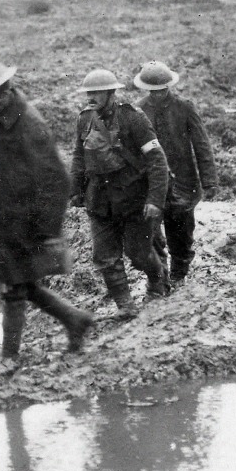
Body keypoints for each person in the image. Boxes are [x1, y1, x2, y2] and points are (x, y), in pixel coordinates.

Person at [0, 62, 94, 373]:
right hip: (1, 218)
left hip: (23, 221)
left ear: (4, 92)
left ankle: (8, 358)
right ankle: (76, 320)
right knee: (21, 284)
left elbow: (57, 180)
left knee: (13, 288)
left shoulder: (29, 125)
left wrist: (48, 231)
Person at [69, 69, 169, 317]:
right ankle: (126, 305)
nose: (91, 97)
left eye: (97, 93)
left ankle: (158, 280)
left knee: (138, 254)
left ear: (111, 93)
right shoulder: (84, 119)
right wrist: (75, 191)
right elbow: (79, 157)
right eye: (88, 93)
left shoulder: (132, 118)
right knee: (104, 256)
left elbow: (157, 160)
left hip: (133, 199)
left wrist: (155, 199)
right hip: (99, 200)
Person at [134, 61, 218, 289]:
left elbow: (202, 145)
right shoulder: (138, 110)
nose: (158, 94)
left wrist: (209, 181)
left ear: (169, 86)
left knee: (181, 231)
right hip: (152, 182)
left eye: (162, 89)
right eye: (154, 90)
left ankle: (180, 273)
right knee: (152, 232)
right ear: (147, 89)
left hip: (183, 182)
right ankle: (159, 279)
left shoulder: (184, 108)